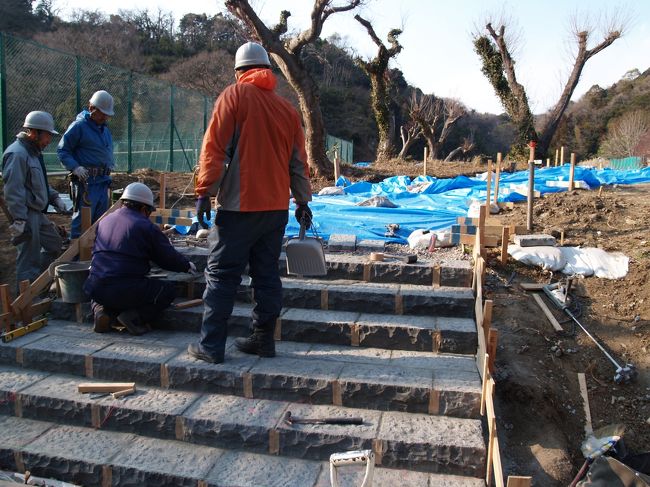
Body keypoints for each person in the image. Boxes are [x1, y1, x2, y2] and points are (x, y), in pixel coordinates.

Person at [189, 41, 313, 364]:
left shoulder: (234, 96)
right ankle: (263, 339)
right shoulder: (287, 110)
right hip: (275, 210)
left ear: (238, 72)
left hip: (238, 209)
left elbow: (213, 149)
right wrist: (302, 201)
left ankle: (211, 346)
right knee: (267, 275)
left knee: (221, 274)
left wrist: (204, 191)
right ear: (268, 72)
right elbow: (299, 163)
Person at [83, 182, 199, 335]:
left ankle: (101, 313)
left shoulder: (104, 220)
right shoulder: (145, 226)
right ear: (144, 208)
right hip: (124, 288)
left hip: (94, 286)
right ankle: (132, 317)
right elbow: (166, 257)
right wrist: (186, 265)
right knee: (167, 290)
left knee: (102, 287)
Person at [2, 111, 68, 290]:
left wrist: (55, 198)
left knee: (55, 244)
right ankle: (27, 305)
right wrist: (20, 219)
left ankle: (39, 283)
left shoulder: (33, 153)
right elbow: (13, 191)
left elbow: (41, 184)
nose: (48, 141)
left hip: (37, 214)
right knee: (27, 261)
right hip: (26, 215)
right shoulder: (17, 154)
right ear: (34, 133)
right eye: (47, 135)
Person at [57, 90, 115, 239]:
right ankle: (77, 259)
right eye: (102, 113)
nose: (105, 117)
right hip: (87, 184)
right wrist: (75, 167)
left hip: (102, 183)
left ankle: (95, 258)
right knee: (82, 225)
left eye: (107, 114)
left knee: (101, 224)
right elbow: (63, 150)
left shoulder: (104, 129)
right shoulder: (79, 126)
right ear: (91, 108)